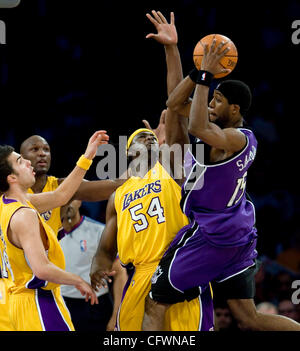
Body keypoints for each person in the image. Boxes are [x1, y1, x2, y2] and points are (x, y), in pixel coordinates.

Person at [142, 31, 300, 331]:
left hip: (213, 236)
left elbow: (197, 123)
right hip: (237, 236)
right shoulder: (226, 136)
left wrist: (205, 74)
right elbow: (174, 103)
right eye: (210, 99)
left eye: (218, 100)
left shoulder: (232, 139)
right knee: (249, 318)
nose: (211, 104)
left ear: (235, 110)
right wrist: (185, 59)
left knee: (155, 300)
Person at [90, 11, 214, 331]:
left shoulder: (171, 166)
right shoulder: (120, 191)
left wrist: (171, 50)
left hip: (178, 267)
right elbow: (107, 246)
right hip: (139, 276)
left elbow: (174, 107)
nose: (150, 140)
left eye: (153, 138)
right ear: (129, 153)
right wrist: (98, 263)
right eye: (142, 139)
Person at [0, 130, 107, 331]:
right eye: (21, 161)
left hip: (16, 300)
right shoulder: (24, 214)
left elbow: (60, 196)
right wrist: (77, 280)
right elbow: (41, 269)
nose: (29, 163)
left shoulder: (7, 204)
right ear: (11, 177)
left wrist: (87, 157)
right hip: (37, 300)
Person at [59, 199, 127, 331]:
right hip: (62, 303)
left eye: (72, 199)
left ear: (79, 200)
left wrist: (116, 315)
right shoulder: (47, 234)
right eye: (64, 200)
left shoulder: (99, 231)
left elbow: (120, 273)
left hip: (96, 305)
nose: (67, 204)